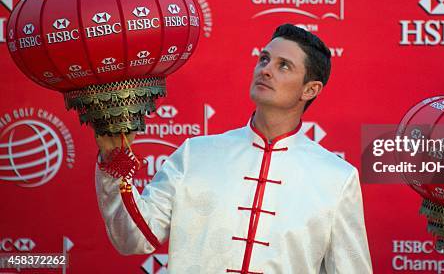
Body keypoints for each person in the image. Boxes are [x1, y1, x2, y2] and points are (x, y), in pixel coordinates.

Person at [95, 24, 373, 273]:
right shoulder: (196, 154)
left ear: (310, 90)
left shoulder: (337, 178)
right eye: (264, 59)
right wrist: (113, 161)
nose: (265, 69)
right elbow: (134, 238)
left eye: (283, 65)